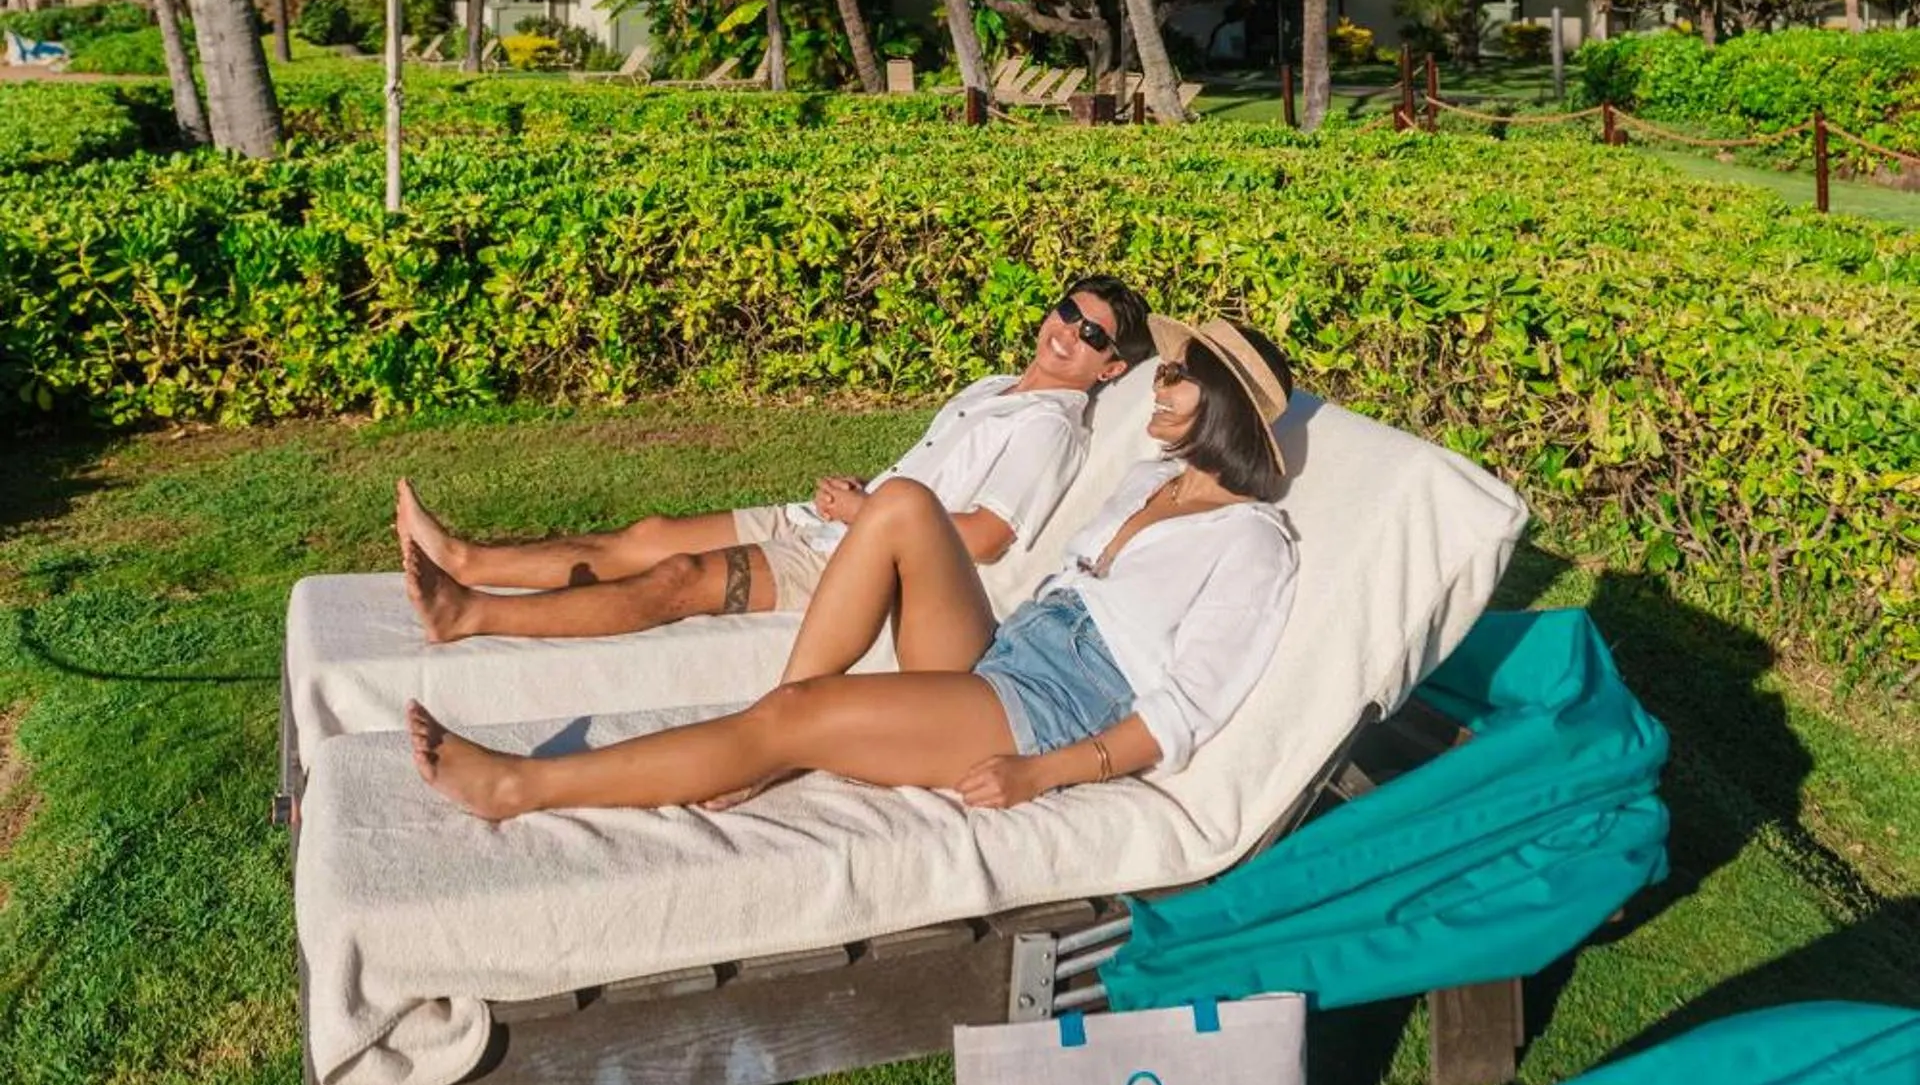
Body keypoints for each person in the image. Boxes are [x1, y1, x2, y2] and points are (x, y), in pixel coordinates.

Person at [408, 314, 1298, 823]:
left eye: (1179, 377)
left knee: (802, 713)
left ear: (1217, 407)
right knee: (904, 500)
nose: (1161, 383)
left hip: (1055, 708)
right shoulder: (1153, 480)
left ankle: (519, 787)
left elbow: (1186, 708)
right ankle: (770, 733)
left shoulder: (1253, 543)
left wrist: (1046, 772)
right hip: (1008, 653)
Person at [396, 275, 1153, 646]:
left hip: (860, 566)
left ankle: (471, 612)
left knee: (679, 579)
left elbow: (986, 536)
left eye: (1094, 337)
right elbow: (932, 477)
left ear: (1111, 368)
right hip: (827, 524)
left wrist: (864, 513)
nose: (1069, 334)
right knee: (650, 533)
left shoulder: (1051, 428)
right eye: (1068, 313)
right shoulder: (996, 387)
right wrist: (861, 495)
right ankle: (464, 557)